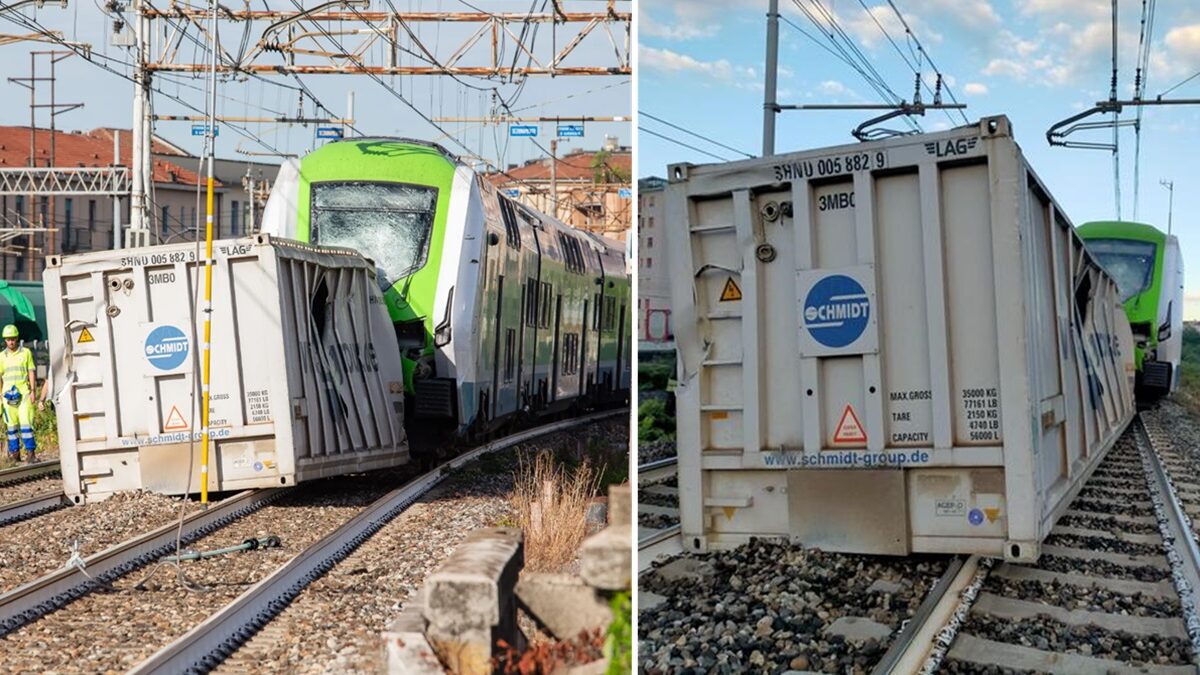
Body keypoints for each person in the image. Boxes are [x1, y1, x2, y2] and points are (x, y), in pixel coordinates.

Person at [0, 324, 41, 464]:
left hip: (24, 394)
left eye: (12, 339)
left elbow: (31, 371)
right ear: (5, 340)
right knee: (11, 426)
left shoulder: (26, 353)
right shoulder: (1, 356)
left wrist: (33, 391)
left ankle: (30, 453)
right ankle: (15, 454)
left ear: (17, 338)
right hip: (7, 396)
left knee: (26, 424)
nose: (10, 342)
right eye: (8, 339)